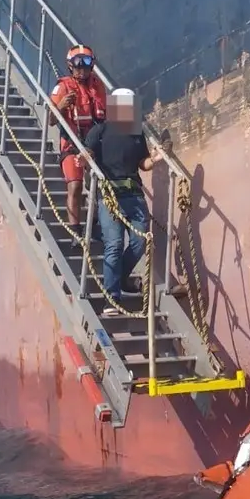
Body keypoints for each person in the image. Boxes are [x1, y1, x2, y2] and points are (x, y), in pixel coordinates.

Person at [82, 88, 164, 313]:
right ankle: (112, 298)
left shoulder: (135, 133)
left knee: (139, 243)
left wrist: (155, 158)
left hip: (134, 196)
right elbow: (87, 152)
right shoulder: (99, 130)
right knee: (114, 244)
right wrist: (83, 158)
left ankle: (122, 277)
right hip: (110, 196)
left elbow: (143, 163)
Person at [49, 44, 108, 228]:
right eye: (77, 64)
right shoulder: (63, 87)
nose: (81, 69)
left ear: (92, 65)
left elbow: (105, 115)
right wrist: (61, 107)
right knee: (75, 186)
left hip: (93, 143)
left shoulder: (98, 86)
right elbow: (51, 120)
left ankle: (97, 221)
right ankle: (75, 229)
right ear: (70, 66)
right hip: (71, 144)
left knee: (99, 183)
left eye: (86, 64)